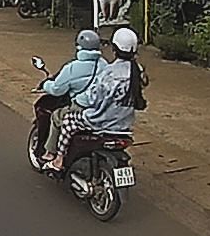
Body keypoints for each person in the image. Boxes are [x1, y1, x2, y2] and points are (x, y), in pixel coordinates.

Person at [46, 27, 147, 178]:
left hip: (99, 121)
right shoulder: (137, 71)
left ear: (114, 49)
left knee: (67, 121)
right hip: (124, 125)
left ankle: (58, 160)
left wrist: (79, 99)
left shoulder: (109, 72)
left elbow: (93, 98)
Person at [34, 29, 107, 163]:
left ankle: (50, 153)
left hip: (80, 107)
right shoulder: (104, 65)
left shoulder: (72, 68)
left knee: (56, 116)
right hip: (100, 107)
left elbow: (57, 89)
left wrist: (45, 85)